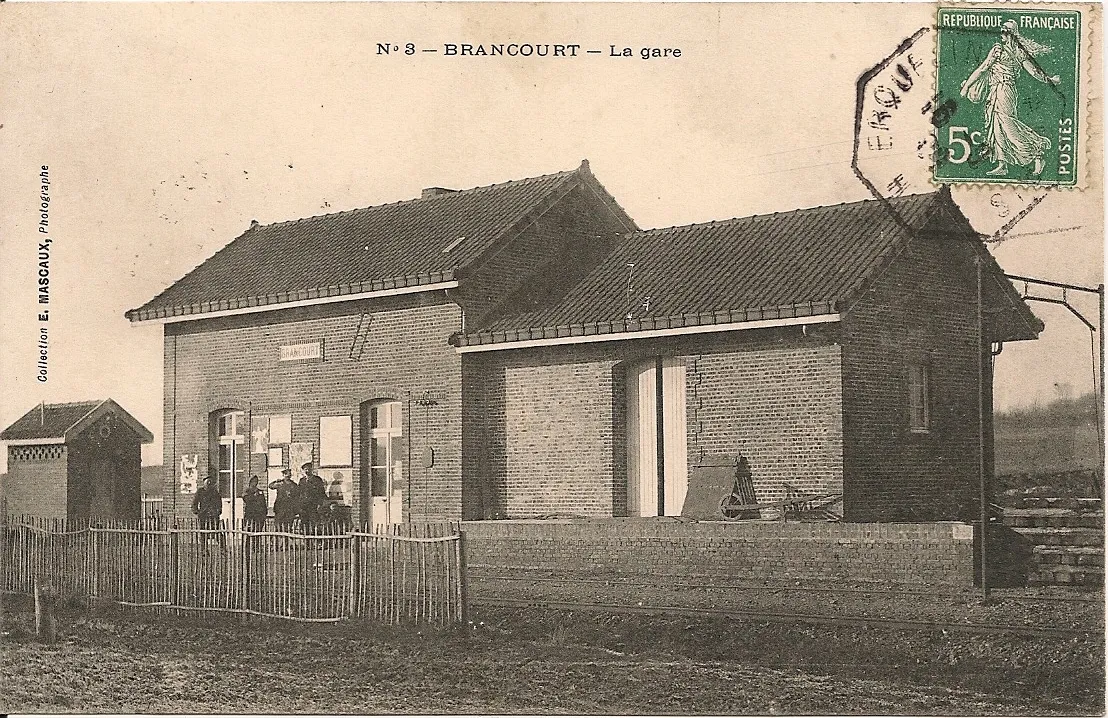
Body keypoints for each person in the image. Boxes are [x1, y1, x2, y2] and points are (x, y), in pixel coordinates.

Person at [960, 20, 1061, 177]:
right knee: (996, 126)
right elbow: (983, 68)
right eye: (1002, 30)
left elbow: (1033, 71)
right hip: (994, 90)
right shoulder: (997, 49)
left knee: (1008, 125)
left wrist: (1049, 79)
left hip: (1006, 90)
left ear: (1013, 33)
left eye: (1006, 30)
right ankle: (1002, 164)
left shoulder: (1018, 52)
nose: (1003, 33)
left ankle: (1037, 150)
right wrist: (967, 86)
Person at [191, 475, 225, 550]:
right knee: (203, 533)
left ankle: (223, 549)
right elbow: (194, 503)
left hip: (213, 515)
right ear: (204, 483)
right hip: (203, 515)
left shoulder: (215, 492)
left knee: (217, 532)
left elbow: (219, 502)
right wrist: (196, 511)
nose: (209, 483)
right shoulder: (200, 491)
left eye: (210, 482)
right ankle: (204, 550)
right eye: (207, 482)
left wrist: (218, 511)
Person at [298, 462, 328, 532]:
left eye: (309, 469)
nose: (307, 471)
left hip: (314, 505)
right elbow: (299, 493)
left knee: (315, 523)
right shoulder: (302, 481)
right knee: (304, 524)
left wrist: (320, 504)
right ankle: (306, 541)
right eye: (305, 469)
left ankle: (316, 540)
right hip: (304, 506)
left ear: (312, 470)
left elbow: (321, 493)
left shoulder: (317, 480)